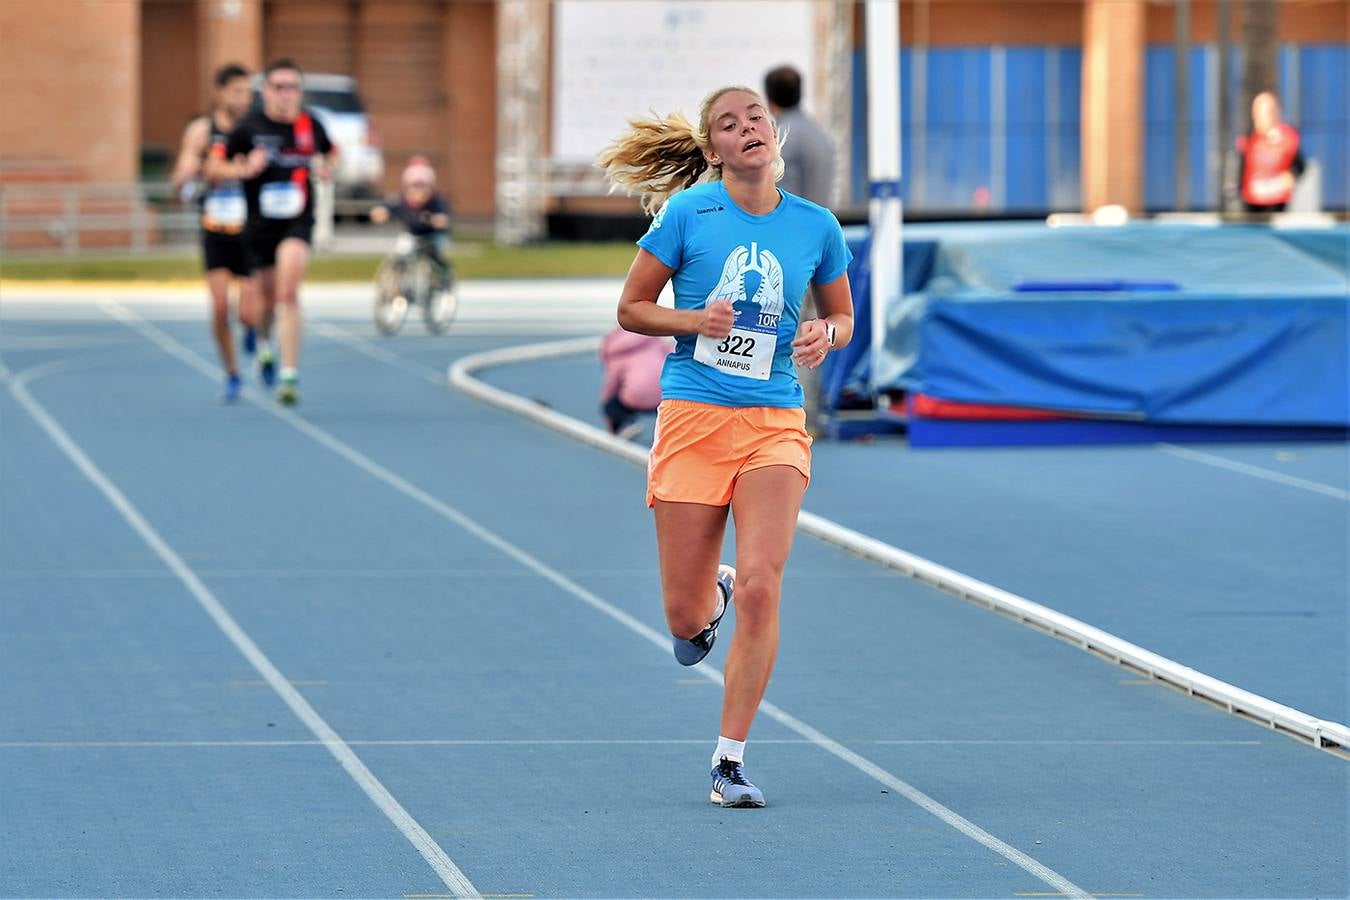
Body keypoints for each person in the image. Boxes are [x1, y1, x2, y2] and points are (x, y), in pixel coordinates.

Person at [597, 85, 853, 808]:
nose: (749, 130)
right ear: (713, 149)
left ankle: (729, 760)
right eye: (729, 124)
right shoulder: (687, 215)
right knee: (685, 622)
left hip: (774, 420)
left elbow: (843, 316)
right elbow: (630, 309)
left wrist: (823, 335)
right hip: (693, 419)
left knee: (767, 587)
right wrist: (691, 320)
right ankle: (714, 591)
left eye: (757, 120)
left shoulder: (815, 226)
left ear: (775, 134)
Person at [208, 57, 338, 406]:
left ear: (299, 91)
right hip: (260, 226)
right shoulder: (249, 127)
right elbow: (214, 162)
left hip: (297, 221)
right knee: (265, 302)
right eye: (278, 87)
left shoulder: (312, 125)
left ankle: (289, 375)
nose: (285, 94)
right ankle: (265, 346)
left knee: (289, 293)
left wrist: (326, 167)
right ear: (265, 91)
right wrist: (244, 169)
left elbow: (333, 153)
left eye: (292, 87)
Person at [169, 63, 259, 403]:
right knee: (220, 308)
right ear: (219, 92)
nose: (244, 99)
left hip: (250, 231)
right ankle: (233, 373)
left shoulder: (255, 130)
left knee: (247, 311)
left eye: (249, 92)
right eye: (237, 91)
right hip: (215, 229)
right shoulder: (201, 131)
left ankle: (254, 329)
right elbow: (180, 181)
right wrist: (187, 176)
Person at [764, 65, 839, 436]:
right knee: (816, 327)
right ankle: (812, 407)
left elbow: (779, 198)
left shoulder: (785, 139)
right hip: (820, 242)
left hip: (791, 247)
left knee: (789, 329)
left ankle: (798, 411)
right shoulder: (821, 136)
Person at [369, 156, 453, 291]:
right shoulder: (402, 201)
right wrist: (381, 212)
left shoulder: (436, 202)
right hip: (411, 235)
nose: (417, 193)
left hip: (431, 236)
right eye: (413, 188)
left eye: (422, 188)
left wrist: (439, 220)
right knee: (400, 254)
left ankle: (442, 279)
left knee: (435, 255)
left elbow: (444, 218)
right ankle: (395, 284)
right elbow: (387, 207)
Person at [1236, 90, 1305, 214]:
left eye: (1265, 112)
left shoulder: (1287, 137)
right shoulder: (1249, 138)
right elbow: (1241, 169)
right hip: (1252, 201)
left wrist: (1291, 176)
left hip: (1277, 200)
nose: (1259, 116)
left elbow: (1299, 165)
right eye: (1257, 112)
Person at [598, 326, 670, 438]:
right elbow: (672, 354)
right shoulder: (654, 339)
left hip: (636, 397)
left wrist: (607, 408)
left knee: (611, 406)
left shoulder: (615, 353)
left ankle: (625, 425)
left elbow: (611, 386)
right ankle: (671, 429)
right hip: (665, 394)